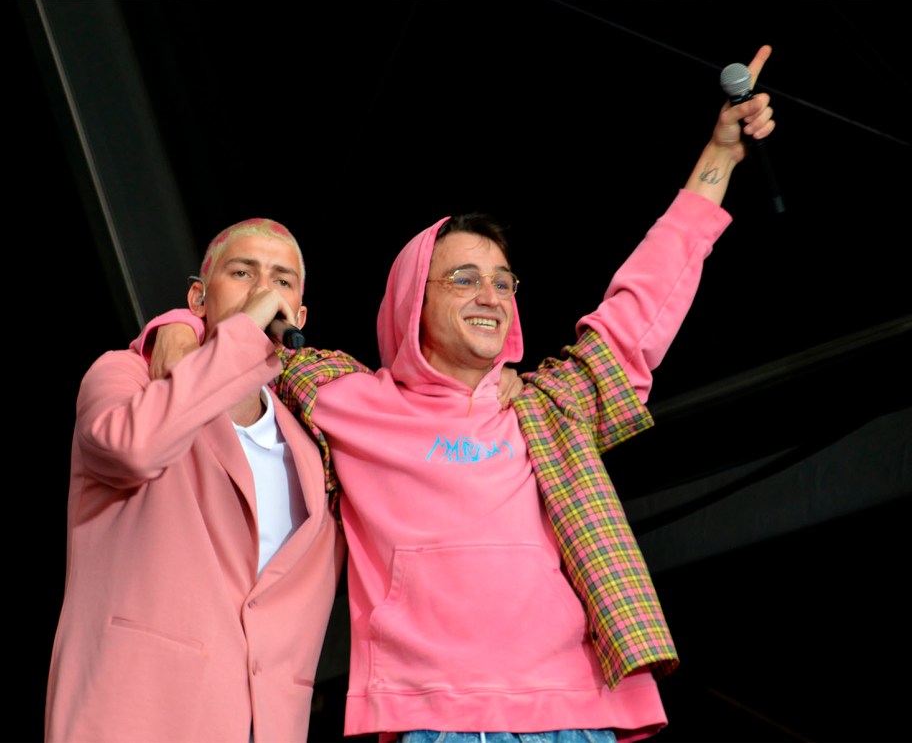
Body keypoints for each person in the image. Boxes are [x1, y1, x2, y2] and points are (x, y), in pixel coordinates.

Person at [140, 46, 777, 743]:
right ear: (413, 300)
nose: (490, 296)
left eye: (503, 282)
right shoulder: (345, 398)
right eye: (465, 279)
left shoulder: (545, 406)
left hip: (575, 712)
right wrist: (173, 324)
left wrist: (719, 157)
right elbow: (244, 334)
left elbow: (641, 307)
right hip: (431, 719)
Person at [45, 218, 343, 743]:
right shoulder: (127, 376)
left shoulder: (311, 437)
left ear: (298, 315)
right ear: (198, 298)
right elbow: (133, 449)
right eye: (242, 272)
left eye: (281, 280)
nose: (263, 291)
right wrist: (228, 336)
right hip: (138, 715)